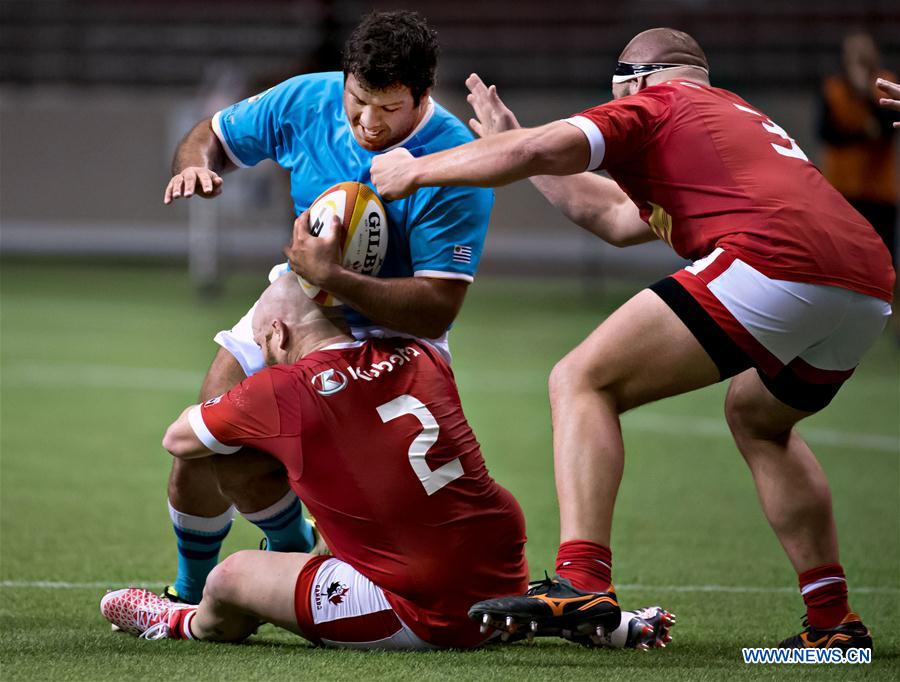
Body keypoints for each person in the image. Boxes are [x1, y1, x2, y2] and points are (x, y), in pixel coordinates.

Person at [371, 27, 894, 650]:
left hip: (775, 261)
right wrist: (512, 140)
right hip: (868, 283)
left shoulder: (657, 102)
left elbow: (544, 148)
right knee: (759, 419)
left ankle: (581, 578)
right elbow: (614, 217)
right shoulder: (731, 120)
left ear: (637, 80)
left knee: (582, 379)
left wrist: (418, 169)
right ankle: (834, 625)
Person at [100, 275, 671, 650]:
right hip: (500, 563)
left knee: (232, 579)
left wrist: (246, 387)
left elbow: (180, 438)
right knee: (375, 515)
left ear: (276, 332)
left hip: (415, 601)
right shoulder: (418, 351)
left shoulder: (280, 388)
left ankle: (175, 620)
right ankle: (589, 620)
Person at [159, 10, 493, 605]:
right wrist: (195, 166)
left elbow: (437, 308)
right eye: (357, 100)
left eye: (388, 109)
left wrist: (333, 274)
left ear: (422, 95)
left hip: (397, 334)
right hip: (302, 295)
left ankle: (289, 555)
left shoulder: (456, 161)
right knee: (209, 436)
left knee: (368, 493)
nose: (367, 122)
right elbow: (210, 132)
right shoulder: (307, 99)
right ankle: (196, 588)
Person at [818, 32, 897, 274]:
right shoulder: (833, 87)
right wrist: (866, 134)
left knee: (883, 256)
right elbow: (826, 133)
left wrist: (866, 95)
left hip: (879, 187)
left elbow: (888, 130)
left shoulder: (887, 83)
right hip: (843, 186)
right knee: (845, 254)